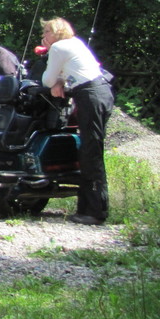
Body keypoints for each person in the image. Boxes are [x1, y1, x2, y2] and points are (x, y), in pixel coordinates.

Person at [40, 17, 113, 226]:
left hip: (90, 95)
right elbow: (73, 72)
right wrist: (62, 81)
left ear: (57, 32)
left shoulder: (58, 47)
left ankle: (95, 212)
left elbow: (47, 80)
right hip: (101, 92)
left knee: (90, 151)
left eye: (46, 32)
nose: (43, 36)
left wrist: (57, 81)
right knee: (91, 149)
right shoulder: (75, 43)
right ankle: (91, 208)